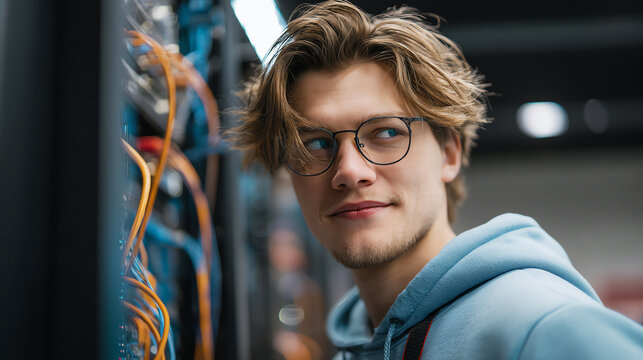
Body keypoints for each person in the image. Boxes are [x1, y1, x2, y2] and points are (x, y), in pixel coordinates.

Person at [229, 1, 643, 359]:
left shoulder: (541, 325)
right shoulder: (358, 345)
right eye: (316, 143)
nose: (350, 171)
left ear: (449, 153)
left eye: (387, 133)